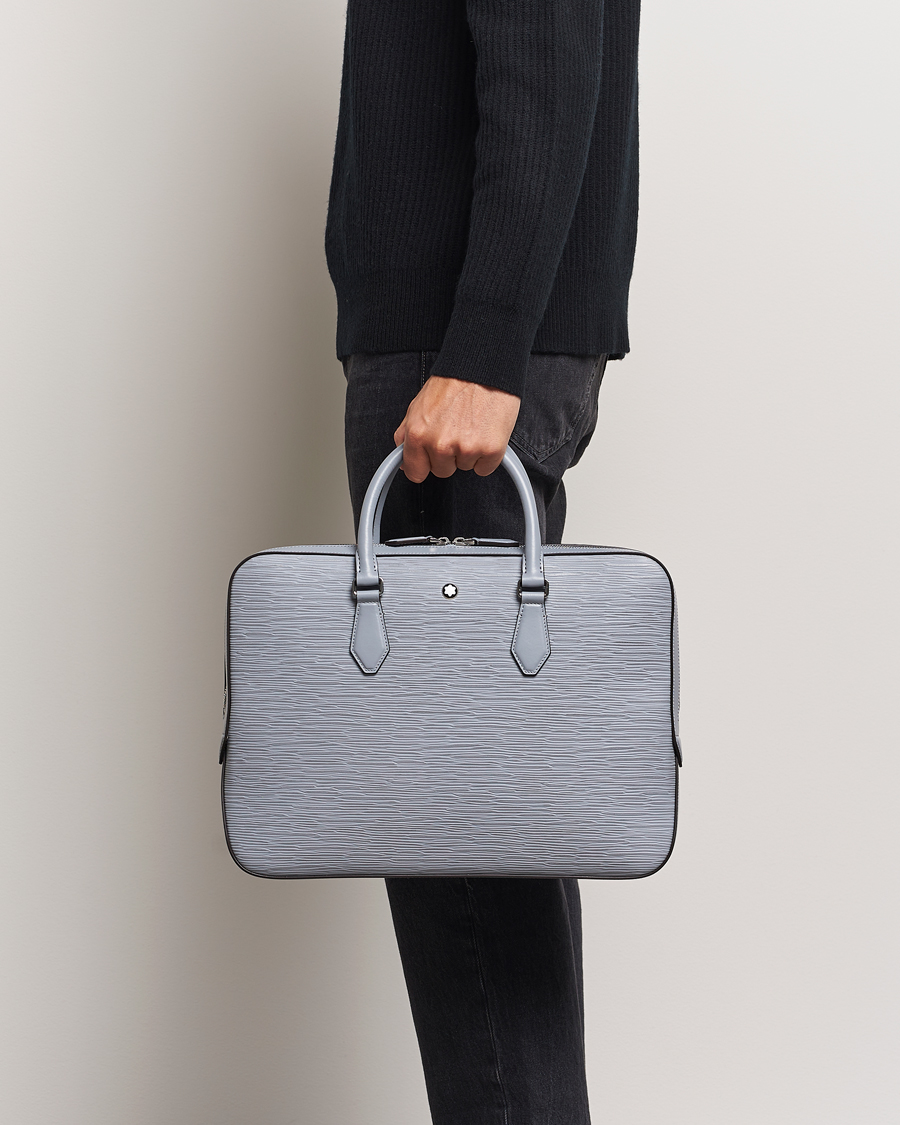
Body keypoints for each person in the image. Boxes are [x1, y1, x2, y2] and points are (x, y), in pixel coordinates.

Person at [325, 2, 640, 1122]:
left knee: (465, 835)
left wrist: (485, 349)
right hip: (453, 345)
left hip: (457, 360)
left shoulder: (469, 364)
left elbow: (545, 55)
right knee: (483, 827)